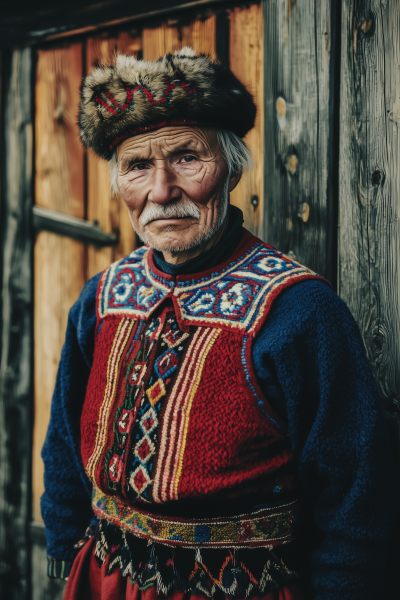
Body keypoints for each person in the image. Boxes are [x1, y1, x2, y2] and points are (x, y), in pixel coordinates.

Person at [41, 48, 399, 600]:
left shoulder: (299, 310)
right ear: (120, 185)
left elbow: (357, 493)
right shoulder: (103, 297)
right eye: (138, 167)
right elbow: (64, 439)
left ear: (231, 166)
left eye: (187, 158)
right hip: (105, 579)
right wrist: (66, 547)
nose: (161, 192)